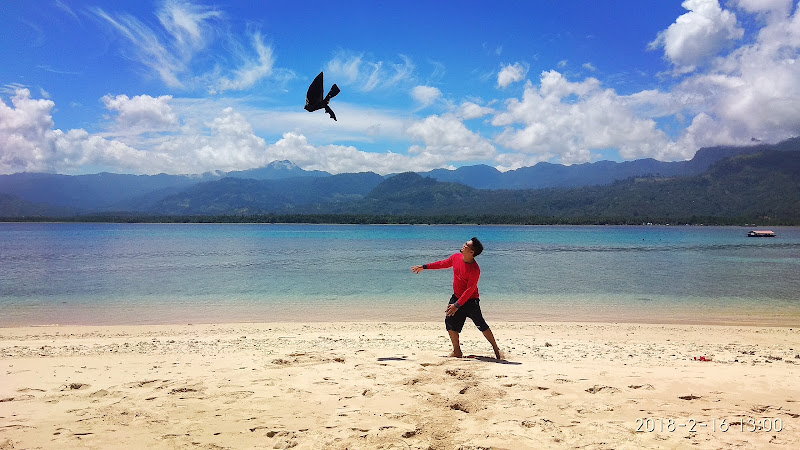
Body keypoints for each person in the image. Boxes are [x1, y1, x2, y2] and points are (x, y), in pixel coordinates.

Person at [411, 237, 502, 359]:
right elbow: (442, 264)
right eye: (465, 243)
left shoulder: (475, 269)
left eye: (466, 245)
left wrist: (457, 305)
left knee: (481, 325)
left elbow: (470, 290)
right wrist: (424, 266)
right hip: (456, 297)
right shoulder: (456, 257)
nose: (463, 245)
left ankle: (496, 348)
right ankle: (457, 351)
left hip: (471, 301)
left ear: (471, 252)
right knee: (450, 322)